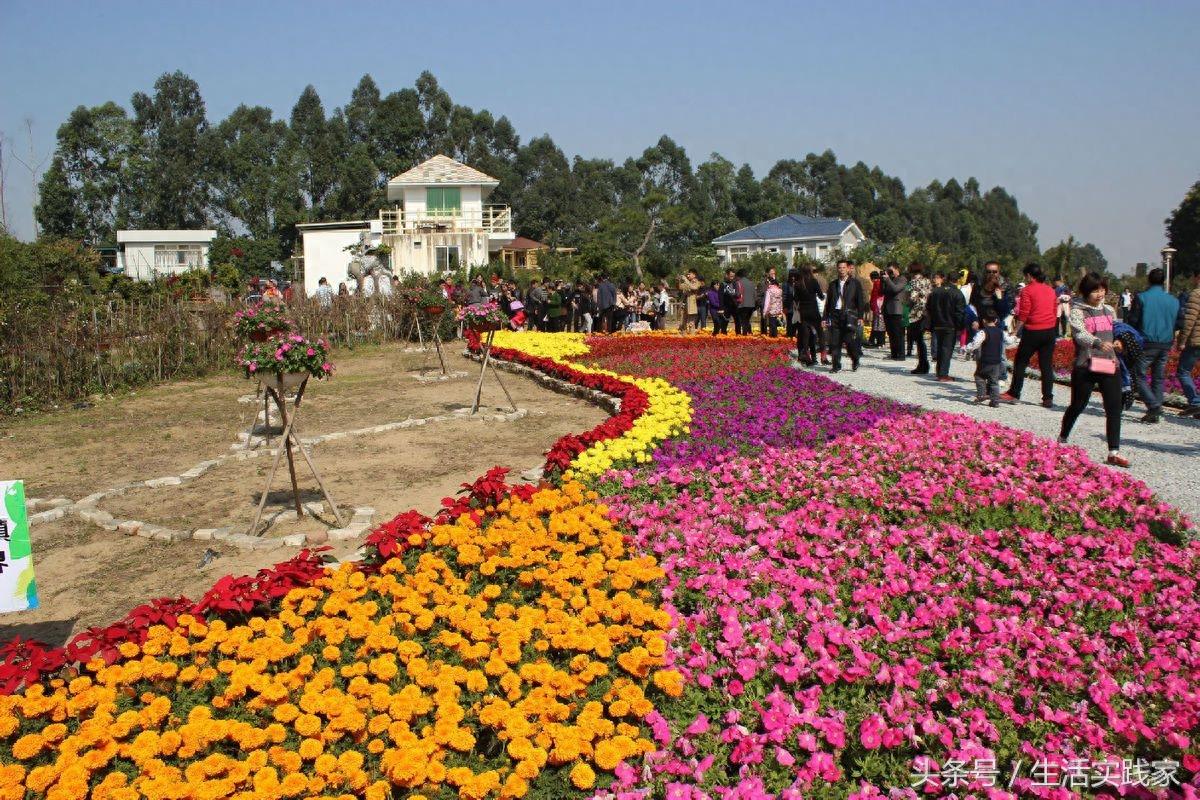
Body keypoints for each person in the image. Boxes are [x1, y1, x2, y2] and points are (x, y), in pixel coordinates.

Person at [1058, 272, 1128, 469]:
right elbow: (1079, 334)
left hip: (1109, 363)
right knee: (1078, 404)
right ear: (1086, 292)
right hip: (1086, 365)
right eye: (1095, 290)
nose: (1100, 294)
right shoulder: (1078, 311)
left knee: (1114, 408)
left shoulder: (1109, 310)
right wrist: (1097, 342)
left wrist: (1119, 342)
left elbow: (1117, 330)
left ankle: (1114, 451)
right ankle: (1062, 437)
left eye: (1102, 289)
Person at [1001, 263, 1059, 407]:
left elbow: (1024, 313)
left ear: (1028, 275)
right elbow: (1054, 310)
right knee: (1046, 365)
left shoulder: (1027, 290)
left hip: (1033, 330)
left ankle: (1014, 393)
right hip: (1049, 331)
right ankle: (1048, 398)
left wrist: (1016, 330)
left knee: (1020, 362)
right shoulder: (1050, 290)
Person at [1128, 268, 1181, 424]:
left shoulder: (1142, 297)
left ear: (1148, 280)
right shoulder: (1173, 300)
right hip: (1166, 342)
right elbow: (1180, 322)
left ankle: (1153, 406)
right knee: (1158, 377)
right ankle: (1156, 409)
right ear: (1163, 281)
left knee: (1137, 375)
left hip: (1147, 342)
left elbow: (1133, 320)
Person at [824, 258, 864, 373]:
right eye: (839, 268)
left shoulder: (855, 283)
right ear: (837, 269)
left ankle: (855, 359)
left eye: (843, 268)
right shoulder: (833, 284)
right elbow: (828, 302)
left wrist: (860, 317)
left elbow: (860, 301)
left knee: (849, 341)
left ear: (848, 269)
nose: (841, 270)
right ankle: (836, 365)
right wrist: (825, 317)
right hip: (835, 315)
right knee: (835, 342)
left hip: (848, 315)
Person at [926, 271, 967, 381]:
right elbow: (960, 312)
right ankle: (943, 374)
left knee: (940, 348)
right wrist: (960, 326)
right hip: (950, 324)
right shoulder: (957, 293)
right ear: (958, 280)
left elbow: (928, 307)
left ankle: (939, 371)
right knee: (946, 349)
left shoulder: (936, 291)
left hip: (937, 323)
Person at [964, 309, 1006, 406]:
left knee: (979, 376)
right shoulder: (1000, 332)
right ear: (996, 320)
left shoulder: (983, 332)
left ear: (983, 320)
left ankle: (982, 395)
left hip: (985, 360)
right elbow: (1008, 340)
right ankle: (995, 401)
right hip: (997, 361)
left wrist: (967, 348)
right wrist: (1014, 337)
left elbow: (975, 343)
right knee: (994, 381)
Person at [1176, 272, 1200, 417]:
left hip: (1196, 340)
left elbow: (1190, 320)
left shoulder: (1196, 294)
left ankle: (1195, 403)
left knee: (1183, 371)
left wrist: (1182, 340)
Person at [791, 265, 825, 366]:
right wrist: (821, 296)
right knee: (820, 333)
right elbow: (821, 295)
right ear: (810, 272)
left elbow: (795, 299)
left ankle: (807, 356)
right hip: (814, 311)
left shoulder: (798, 284)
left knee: (805, 335)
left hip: (803, 312)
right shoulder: (814, 281)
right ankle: (823, 355)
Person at [905, 263, 932, 374]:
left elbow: (912, 297)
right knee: (921, 339)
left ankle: (923, 364)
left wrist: (906, 304)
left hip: (916, 313)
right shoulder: (927, 281)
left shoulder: (913, 282)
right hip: (925, 312)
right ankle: (923, 364)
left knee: (918, 340)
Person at [881, 263, 907, 360]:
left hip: (897, 310)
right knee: (890, 333)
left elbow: (895, 289)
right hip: (887, 309)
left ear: (897, 269)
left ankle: (901, 354)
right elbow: (882, 291)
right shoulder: (889, 280)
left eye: (891, 270)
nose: (889, 272)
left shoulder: (902, 279)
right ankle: (894, 354)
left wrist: (887, 280)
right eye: (888, 270)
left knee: (898, 333)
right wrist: (883, 281)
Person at [867, 270, 885, 347]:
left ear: (872, 278)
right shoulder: (881, 282)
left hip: (878, 307)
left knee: (878, 325)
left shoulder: (877, 284)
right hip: (880, 306)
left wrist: (872, 305)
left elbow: (874, 297)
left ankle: (879, 342)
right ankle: (880, 341)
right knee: (880, 324)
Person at [735, 269, 757, 335]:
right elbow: (755, 295)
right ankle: (749, 332)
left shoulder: (738, 282)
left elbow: (738, 294)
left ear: (739, 276)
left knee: (743, 321)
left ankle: (745, 334)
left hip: (742, 305)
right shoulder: (752, 283)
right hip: (751, 305)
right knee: (747, 320)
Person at [758, 266, 778, 334]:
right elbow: (759, 295)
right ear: (767, 274)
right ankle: (764, 334)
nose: (773, 275)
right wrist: (761, 304)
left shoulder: (776, 283)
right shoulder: (762, 283)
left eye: (774, 273)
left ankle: (773, 335)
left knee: (773, 322)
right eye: (772, 273)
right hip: (765, 305)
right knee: (764, 321)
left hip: (773, 305)